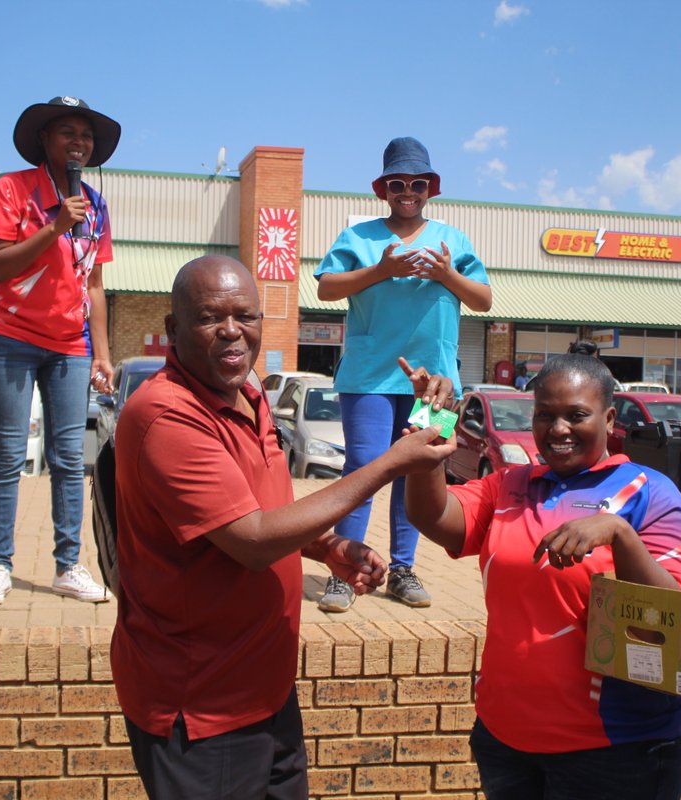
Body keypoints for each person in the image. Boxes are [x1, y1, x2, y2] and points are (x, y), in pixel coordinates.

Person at [110, 255, 454, 798]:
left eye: (245, 315)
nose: (231, 331)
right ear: (174, 329)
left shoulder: (247, 395)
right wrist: (389, 463)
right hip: (201, 705)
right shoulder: (166, 416)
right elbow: (251, 541)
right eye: (209, 317)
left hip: (264, 691)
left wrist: (328, 546)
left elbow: (259, 509)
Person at [403, 352, 681, 799]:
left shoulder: (649, 493)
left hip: (617, 751)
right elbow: (433, 517)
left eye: (576, 415)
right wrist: (433, 425)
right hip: (506, 741)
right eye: (545, 415)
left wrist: (620, 536)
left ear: (609, 418)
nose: (558, 429)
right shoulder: (510, 484)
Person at [313, 136, 492, 612]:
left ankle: (402, 569)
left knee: (418, 470)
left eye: (417, 183)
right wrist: (381, 269)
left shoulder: (453, 241)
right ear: (383, 189)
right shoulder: (361, 238)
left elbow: (483, 300)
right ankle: (342, 570)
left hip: (438, 383)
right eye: (397, 183)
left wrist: (446, 276)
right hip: (370, 375)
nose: (407, 191)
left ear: (430, 187)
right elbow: (327, 289)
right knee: (364, 469)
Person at [0, 96, 122, 606]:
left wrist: (101, 353)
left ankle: (67, 566)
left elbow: (94, 284)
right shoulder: (12, 190)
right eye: (66, 132)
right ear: (44, 140)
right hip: (8, 338)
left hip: (68, 346)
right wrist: (55, 225)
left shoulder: (96, 204)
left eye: (85, 135)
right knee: (9, 455)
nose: (78, 141)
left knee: (67, 459)